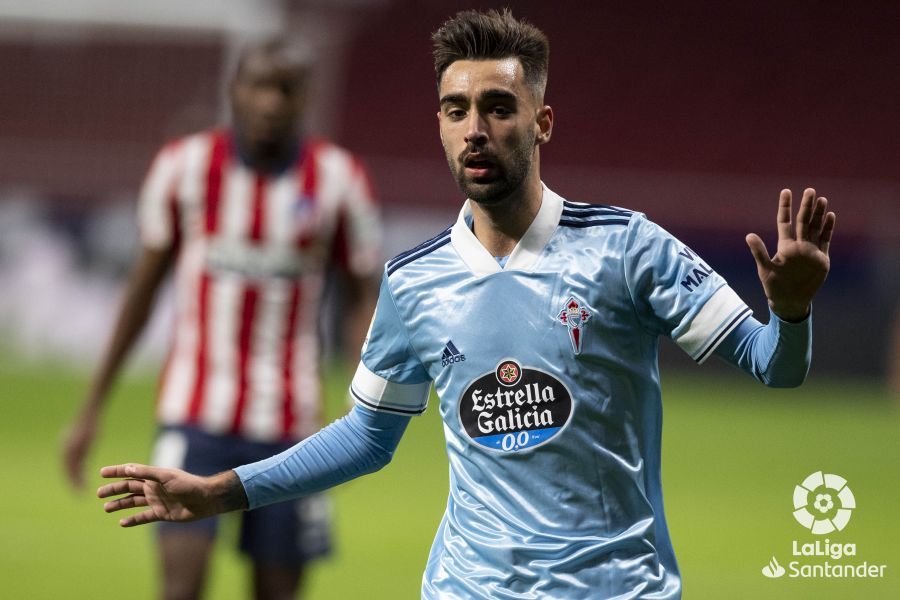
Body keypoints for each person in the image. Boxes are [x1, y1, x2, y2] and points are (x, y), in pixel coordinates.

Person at [97, 10, 835, 599]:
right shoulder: (414, 282)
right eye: (456, 110)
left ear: (542, 123)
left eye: (497, 107)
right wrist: (218, 493)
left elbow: (775, 368)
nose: (474, 128)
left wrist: (792, 316)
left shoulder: (627, 248)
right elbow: (366, 437)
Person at [66, 37, 381, 600]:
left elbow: (363, 296)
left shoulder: (339, 180)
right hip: (194, 417)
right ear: (234, 89)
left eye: (284, 89)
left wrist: (366, 393)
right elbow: (141, 291)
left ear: (304, 98)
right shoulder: (183, 168)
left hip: (292, 426)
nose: (269, 102)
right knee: (179, 589)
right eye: (257, 85)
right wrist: (92, 406)